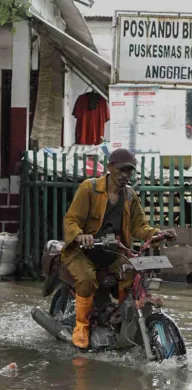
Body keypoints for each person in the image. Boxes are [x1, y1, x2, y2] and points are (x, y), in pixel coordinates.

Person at [61, 148, 176, 349]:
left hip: (112, 252)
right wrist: (80, 235)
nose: (125, 175)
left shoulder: (130, 195)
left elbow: (139, 227)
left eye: (129, 171)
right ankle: (81, 326)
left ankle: (124, 321)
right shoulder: (89, 188)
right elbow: (71, 220)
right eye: (122, 170)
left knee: (132, 276)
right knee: (87, 279)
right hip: (82, 252)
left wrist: (157, 234)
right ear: (109, 168)